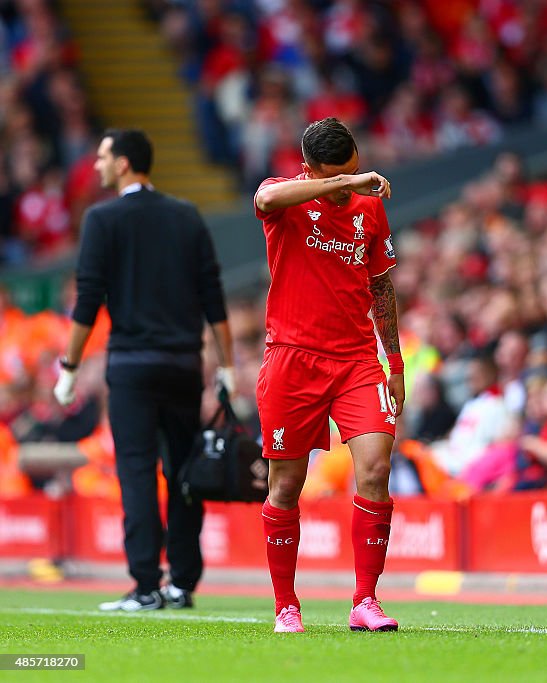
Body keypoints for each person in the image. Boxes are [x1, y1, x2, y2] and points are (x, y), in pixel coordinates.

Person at [54, 128, 235, 611]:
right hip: (182, 365)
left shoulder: (102, 219)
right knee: (182, 472)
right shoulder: (186, 216)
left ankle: (145, 585)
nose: (96, 165)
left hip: (133, 366)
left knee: (136, 473)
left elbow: (88, 300)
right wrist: (229, 366)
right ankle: (183, 583)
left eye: (103, 157)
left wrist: (69, 366)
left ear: (125, 163)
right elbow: (212, 296)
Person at [253, 117, 403, 634]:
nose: (349, 188)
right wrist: (344, 185)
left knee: (376, 469)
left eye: (355, 173)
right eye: (337, 179)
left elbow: (381, 288)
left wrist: (395, 362)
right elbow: (265, 200)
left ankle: (365, 600)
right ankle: (286, 606)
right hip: (292, 359)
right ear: (309, 171)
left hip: (357, 359)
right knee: (287, 485)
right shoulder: (284, 197)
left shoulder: (369, 205)